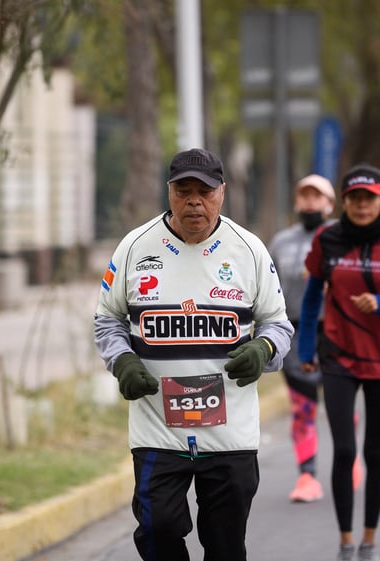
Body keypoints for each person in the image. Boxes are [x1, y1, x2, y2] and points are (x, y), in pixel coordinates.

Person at [93, 148, 294, 561]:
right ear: (169, 193)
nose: (194, 202)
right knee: (156, 531)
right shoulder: (134, 247)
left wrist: (264, 348)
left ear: (222, 194)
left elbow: (279, 324)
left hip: (230, 433)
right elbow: (107, 321)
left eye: (205, 192)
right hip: (157, 429)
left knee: (224, 546)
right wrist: (123, 361)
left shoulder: (249, 251)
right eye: (183, 191)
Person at [297, 164, 380, 561]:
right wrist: (306, 349)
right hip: (338, 355)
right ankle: (345, 540)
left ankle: (369, 537)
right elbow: (312, 297)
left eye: (369, 198)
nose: (361, 205)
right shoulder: (327, 238)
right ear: (345, 202)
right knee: (344, 450)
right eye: (354, 198)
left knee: (375, 451)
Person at [268, 174, 363, 503]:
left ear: (329, 204)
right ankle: (307, 476)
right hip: (295, 331)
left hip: (338, 328)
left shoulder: (344, 236)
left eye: (317, 196)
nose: (310, 201)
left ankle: (348, 459)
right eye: (305, 195)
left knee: (342, 403)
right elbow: (269, 288)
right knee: (302, 406)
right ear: (298, 201)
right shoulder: (280, 242)